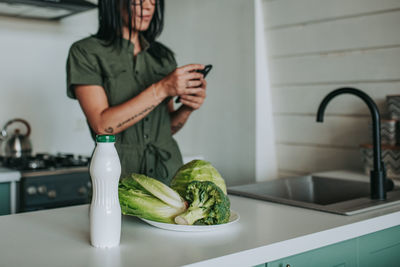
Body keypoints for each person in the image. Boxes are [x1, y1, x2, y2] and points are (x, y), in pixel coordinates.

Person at [66, 0, 207, 184]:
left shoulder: (163, 57)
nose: (148, 6)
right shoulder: (85, 52)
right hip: (118, 175)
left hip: (168, 175)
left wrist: (187, 108)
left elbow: (168, 128)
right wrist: (162, 88)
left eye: (153, 1)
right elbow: (102, 125)